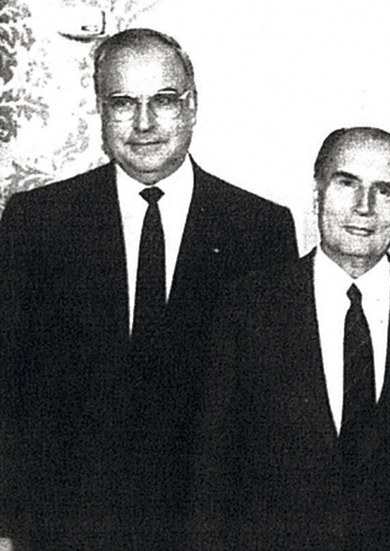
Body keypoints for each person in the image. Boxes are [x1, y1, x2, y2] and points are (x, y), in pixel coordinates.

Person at [0, 28, 297, 549]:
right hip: (65, 531)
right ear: (100, 110)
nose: (143, 123)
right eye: (123, 102)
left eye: (163, 100)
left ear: (192, 105)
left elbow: (272, 411)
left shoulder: (260, 230)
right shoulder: (37, 222)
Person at [193, 127, 390, 550]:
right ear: (317, 192)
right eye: (347, 183)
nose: (364, 206)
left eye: (385, 191)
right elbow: (211, 483)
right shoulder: (247, 308)